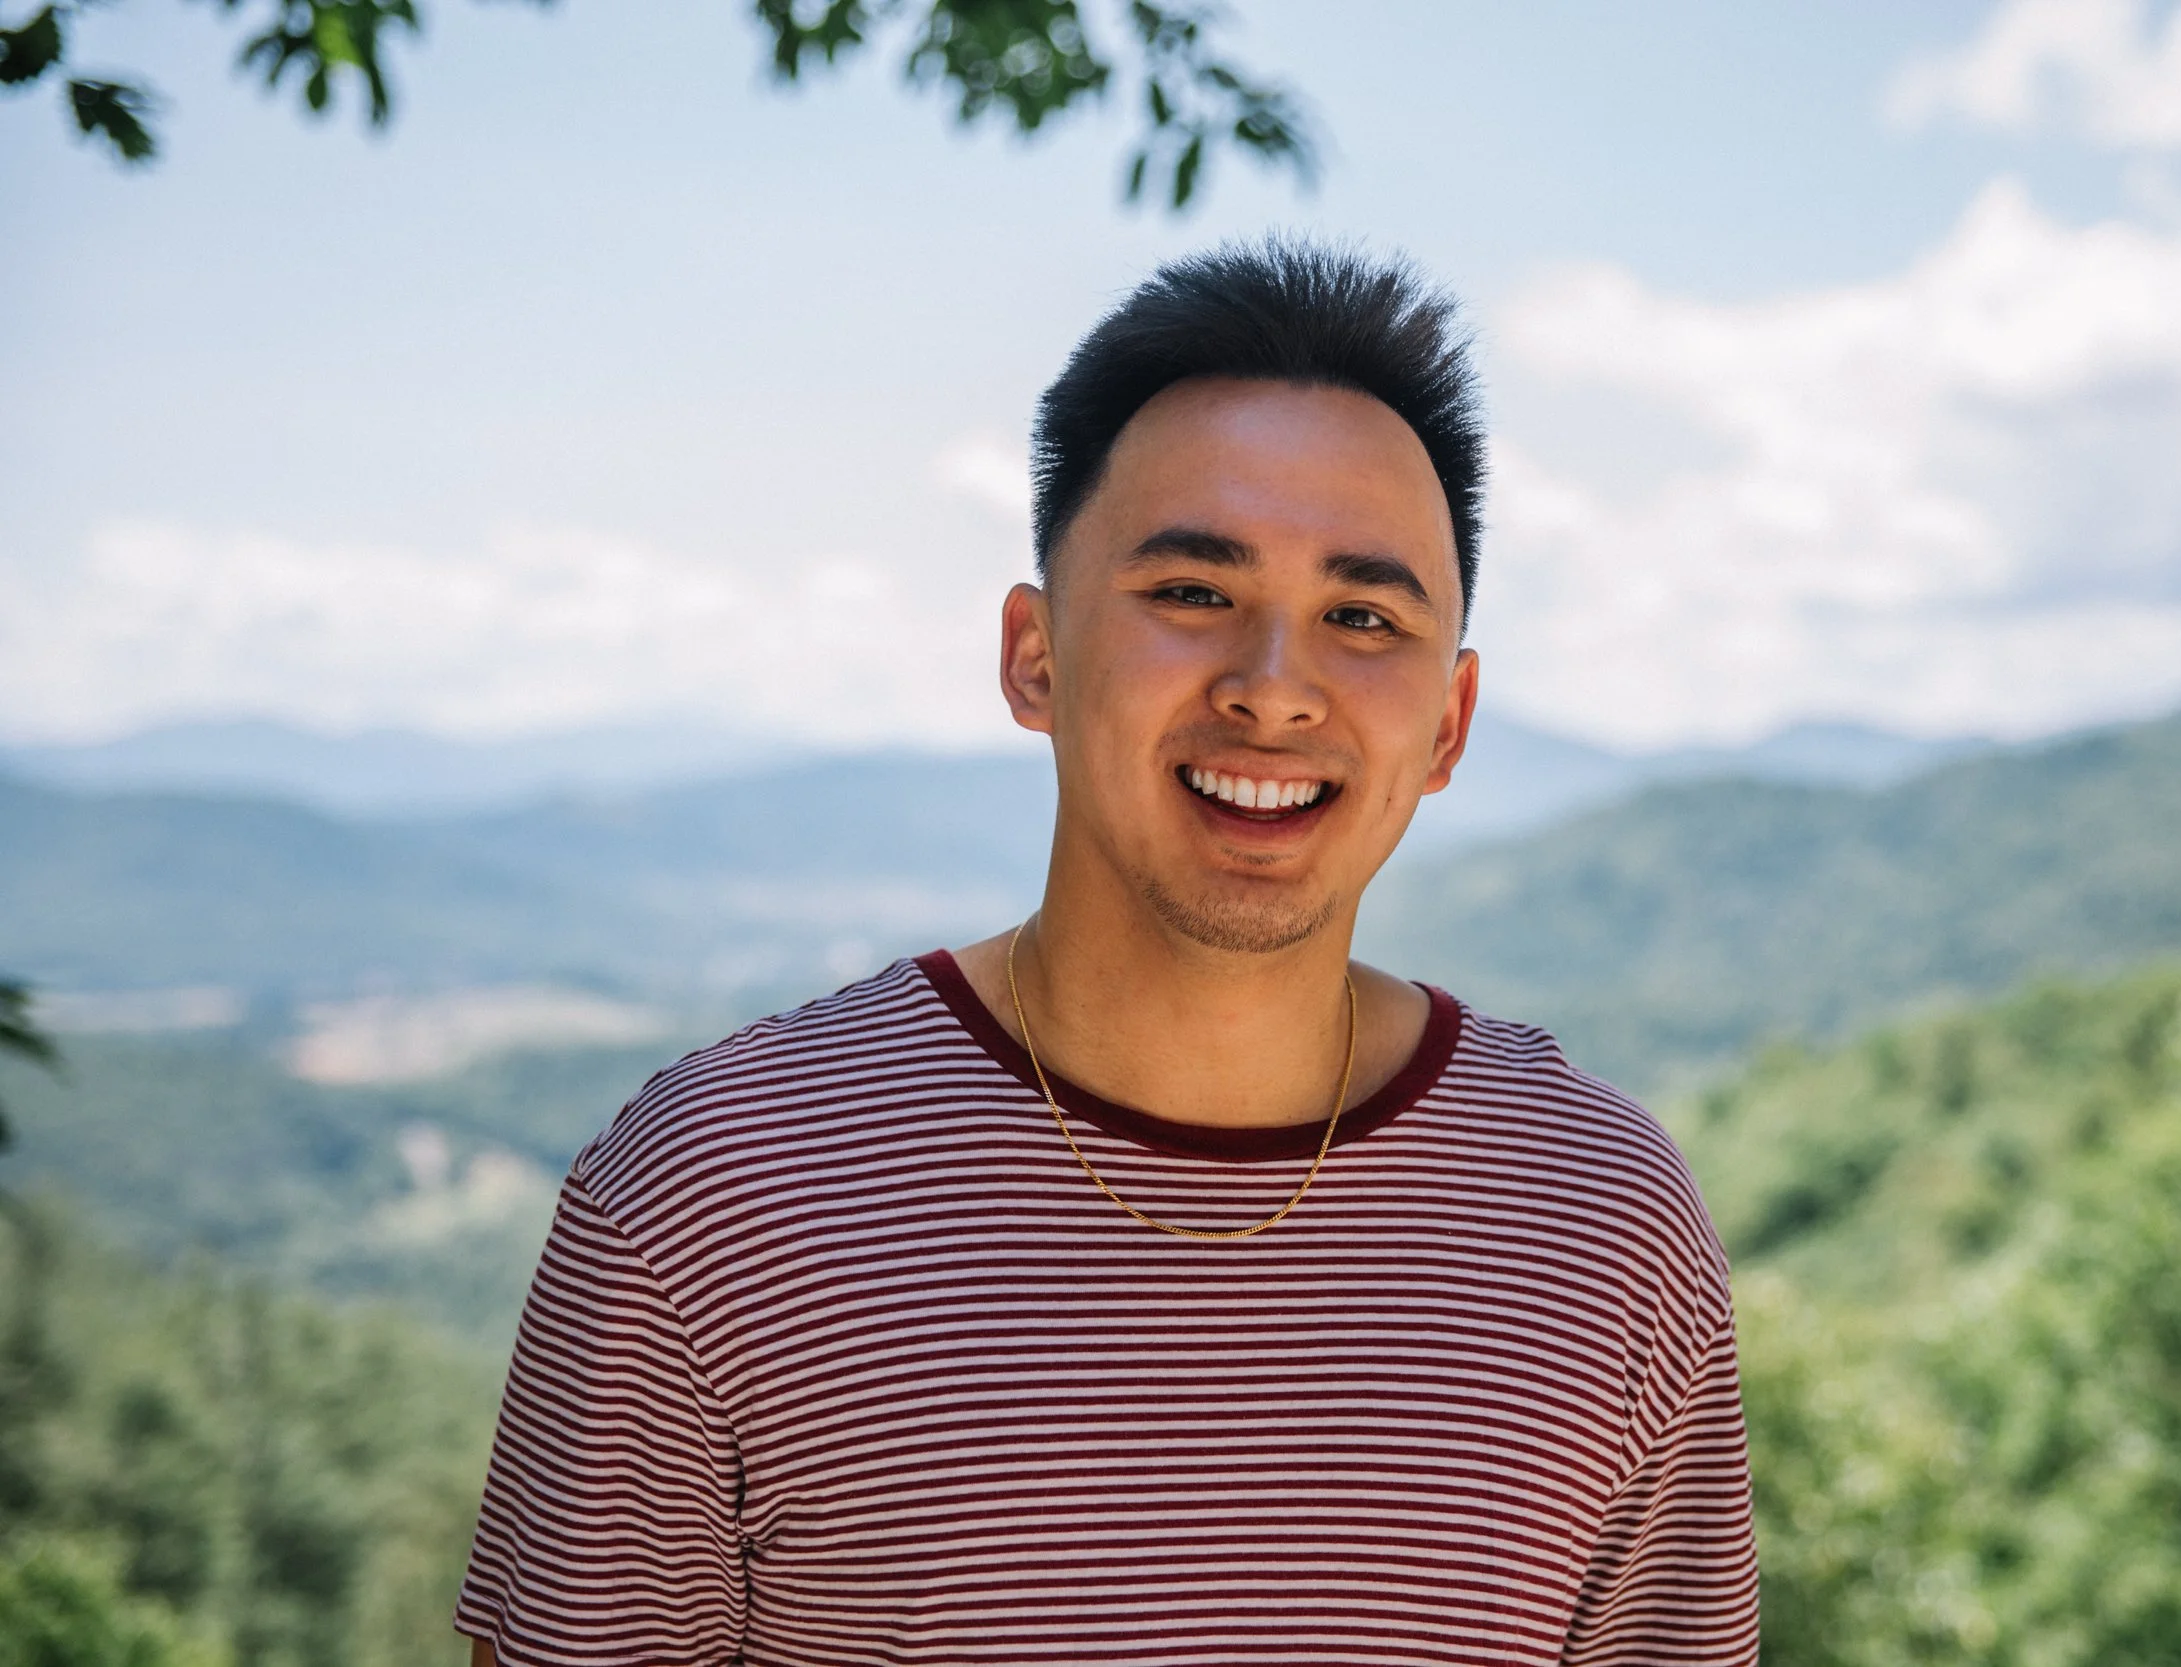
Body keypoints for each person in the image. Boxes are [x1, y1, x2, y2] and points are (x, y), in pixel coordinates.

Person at [456, 238, 1760, 1666]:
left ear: (1446, 724)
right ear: (1036, 655)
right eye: (1194, 592)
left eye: (1362, 617)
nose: (1275, 689)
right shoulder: (715, 1197)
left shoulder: (1602, 1224)